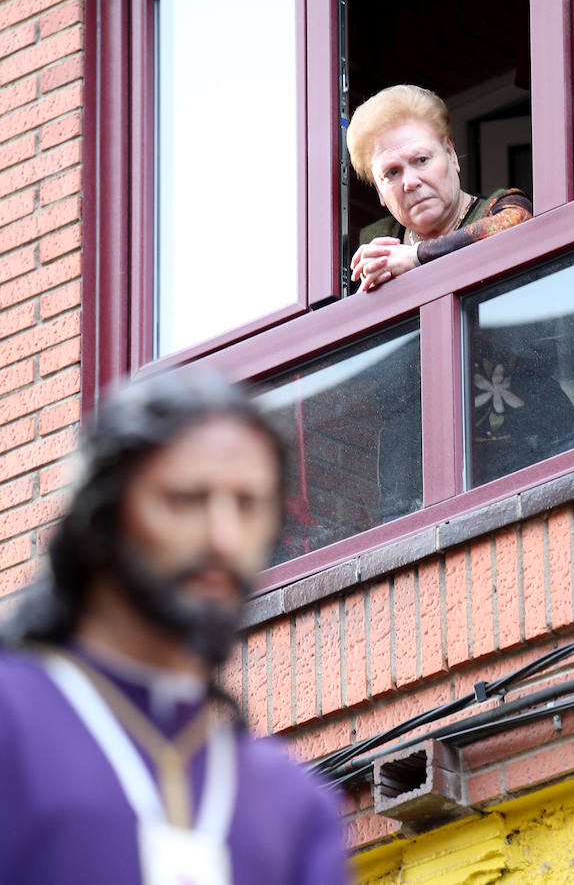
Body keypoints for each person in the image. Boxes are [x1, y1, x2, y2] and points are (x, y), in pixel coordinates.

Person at [0, 371, 349, 885]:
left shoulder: (293, 805)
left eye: (248, 505)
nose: (223, 538)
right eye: (186, 499)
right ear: (104, 517)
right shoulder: (12, 719)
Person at [347, 84, 533, 292]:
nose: (410, 182)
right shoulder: (370, 245)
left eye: (421, 160)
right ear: (379, 191)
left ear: (450, 154)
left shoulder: (500, 208)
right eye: (392, 172)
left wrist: (416, 255)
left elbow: (518, 221)